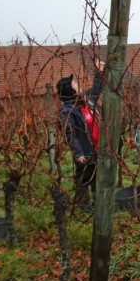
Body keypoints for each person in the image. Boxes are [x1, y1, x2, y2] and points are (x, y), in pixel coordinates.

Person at [56, 59, 104, 213]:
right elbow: (70, 132)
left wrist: (99, 72)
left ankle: (98, 201)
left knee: (96, 175)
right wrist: (78, 153)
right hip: (84, 149)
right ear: (70, 90)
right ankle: (83, 204)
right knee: (83, 177)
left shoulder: (83, 100)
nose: (77, 84)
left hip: (96, 147)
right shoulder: (67, 110)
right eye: (74, 84)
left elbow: (96, 90)